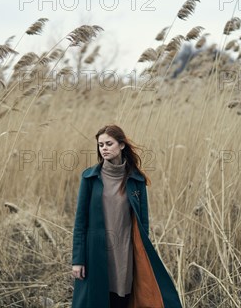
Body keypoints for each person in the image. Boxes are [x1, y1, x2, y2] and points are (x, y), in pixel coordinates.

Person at [71, 124, 182, 308]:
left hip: (126, 252)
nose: (104, 148)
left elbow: (143, 222)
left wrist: (141, 254)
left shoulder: (136, 180)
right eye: (100, 145)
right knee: (97, 299)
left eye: (109, 143)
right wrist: (78, 260)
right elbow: (80, 222)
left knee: (123, 298)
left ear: (121, 145)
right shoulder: (90, 178)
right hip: (96, 252)